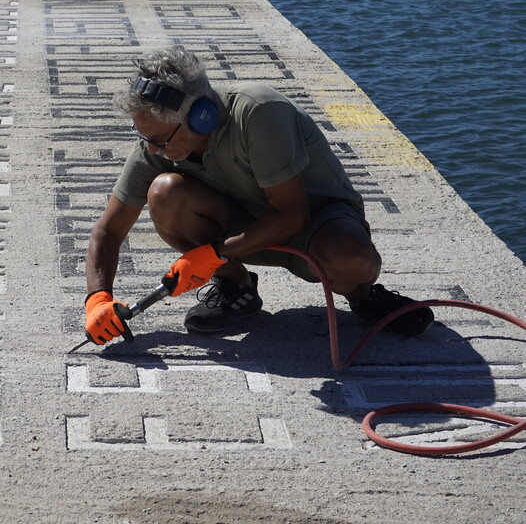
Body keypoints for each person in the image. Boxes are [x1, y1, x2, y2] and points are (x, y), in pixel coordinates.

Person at [83, 47, 434, 345]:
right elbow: (107, 231)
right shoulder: (156, 144)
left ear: (200, 117)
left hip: (314, 222)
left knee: (351, 259)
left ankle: (363, 296)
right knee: (164, 192)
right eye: (144, 137)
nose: (152, 149)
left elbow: (291, 215)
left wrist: (213, 254)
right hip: (244, 227)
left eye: (161, 139)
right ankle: (236, 287)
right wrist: (98, 299)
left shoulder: (259, 112)